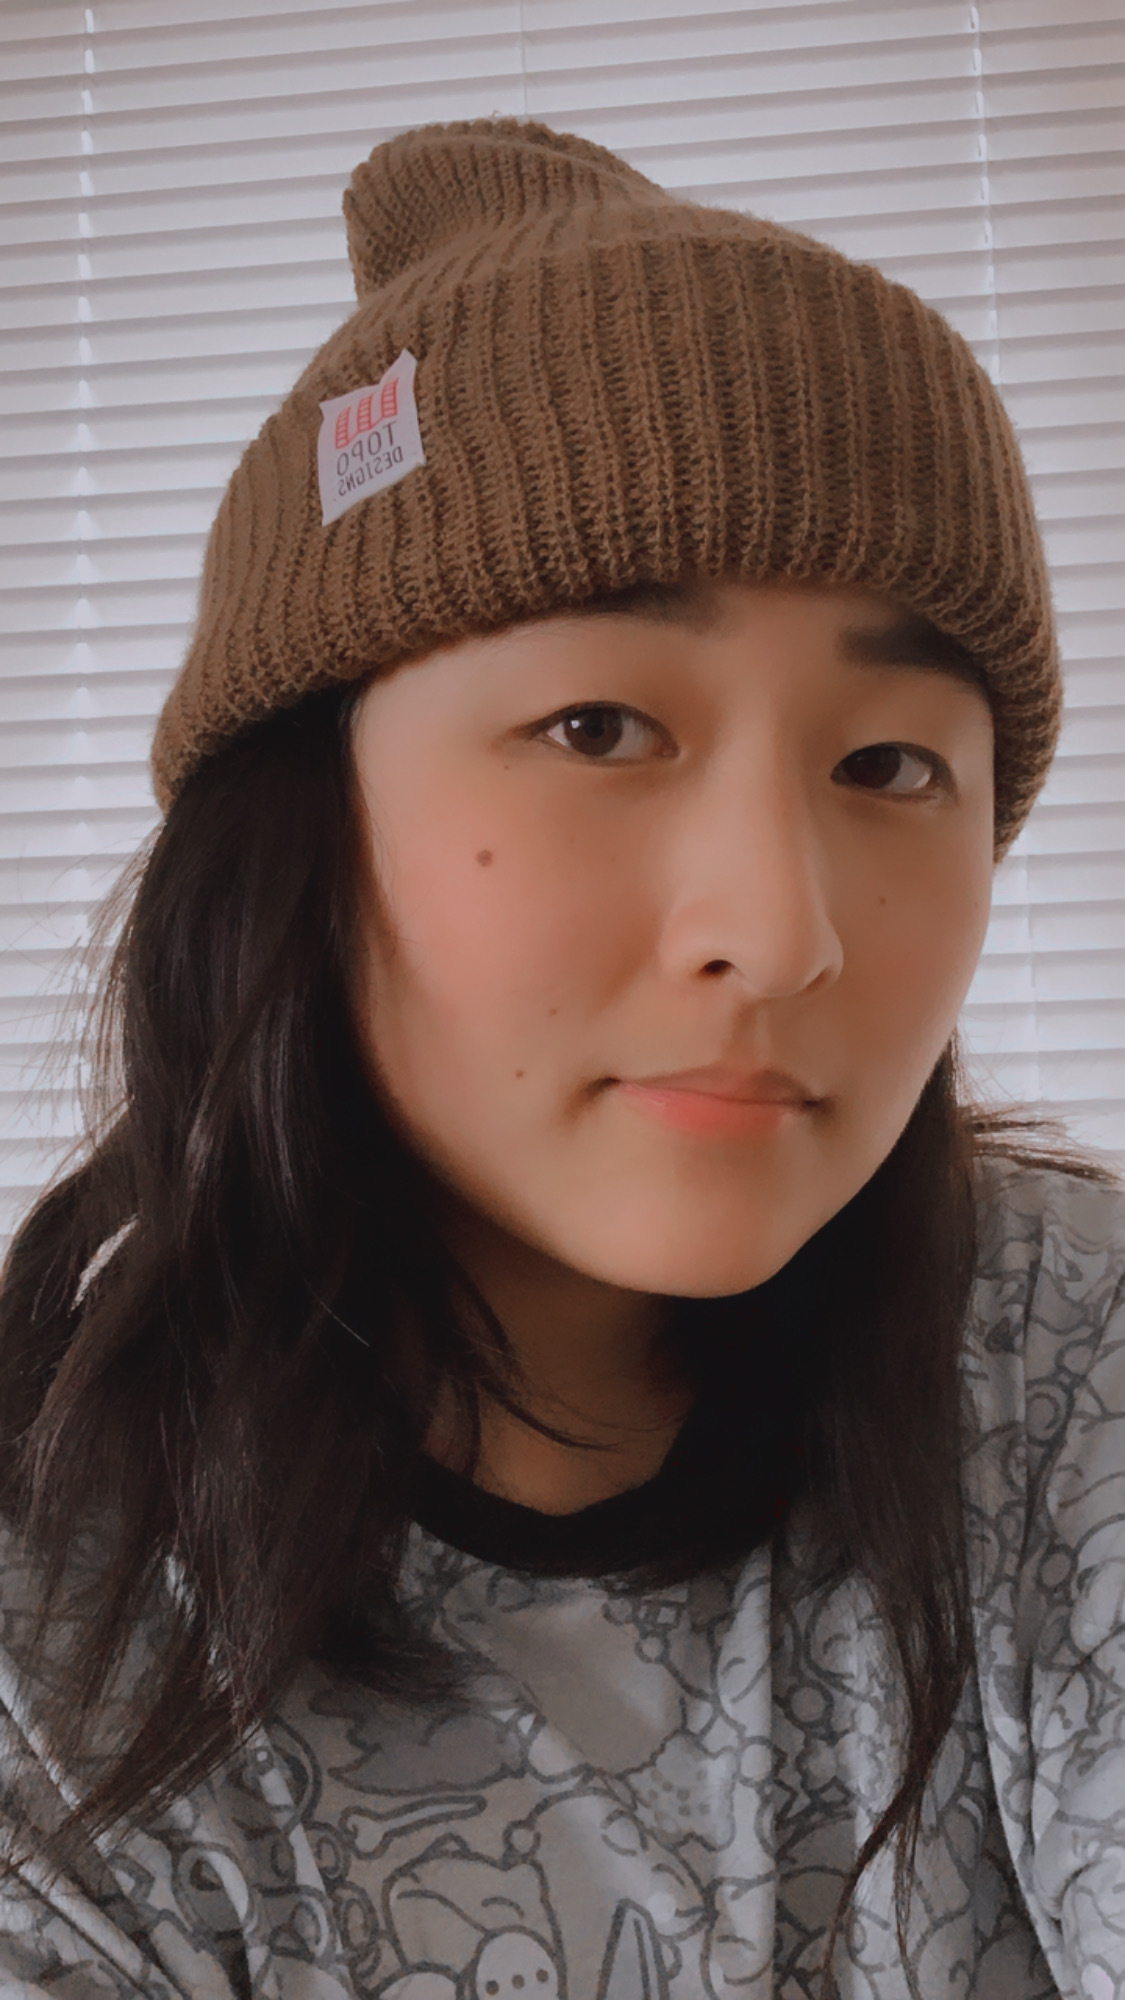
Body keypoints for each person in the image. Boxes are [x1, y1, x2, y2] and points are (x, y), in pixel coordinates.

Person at [0, 115, 1121, 2000]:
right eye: (598, 725)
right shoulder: (58, 1650)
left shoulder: (1064, 1364)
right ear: (295, 822)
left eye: (889, 763)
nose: (780, 933)